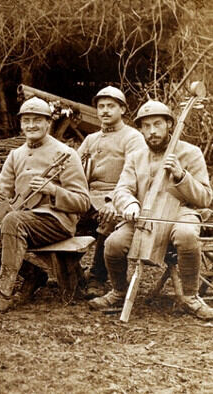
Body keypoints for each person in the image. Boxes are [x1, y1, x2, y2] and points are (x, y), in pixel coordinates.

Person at [89, 100, 213, 320]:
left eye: (157, 124)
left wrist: (182, 176)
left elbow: (204, 198)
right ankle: (119, 291)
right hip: (143, 216)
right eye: (146, 126)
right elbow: (123, 189)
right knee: (113, 244)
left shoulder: (190, 153)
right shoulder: (136, 157)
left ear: (169, 125)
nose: (152, 131)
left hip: (180, 212)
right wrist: (130, 204)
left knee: (186, 235)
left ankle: (191, 297)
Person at [0, 97, 90, 313]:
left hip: (56, 222)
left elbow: (82, 202)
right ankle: (34, 274)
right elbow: (0, 193)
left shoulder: (66, 154)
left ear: (48, 123)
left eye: (37, 120)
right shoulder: (16, 155)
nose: (31, 125)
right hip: (17, 221)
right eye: (26, 120)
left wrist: (54, 191)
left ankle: (4, 293)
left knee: (14, 221)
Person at [77, 86, 146, 298]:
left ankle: (98, 278)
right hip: (89, 196)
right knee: (62, 215)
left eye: (111, 106)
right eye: (101, 106)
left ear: (122, 109)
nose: (105, 111)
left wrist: (112, 201)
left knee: (109, 219)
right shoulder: (91, 139)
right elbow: (76, 170)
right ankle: (73, 274)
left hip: (118, 196)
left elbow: (135, 176)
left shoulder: (132, 137)